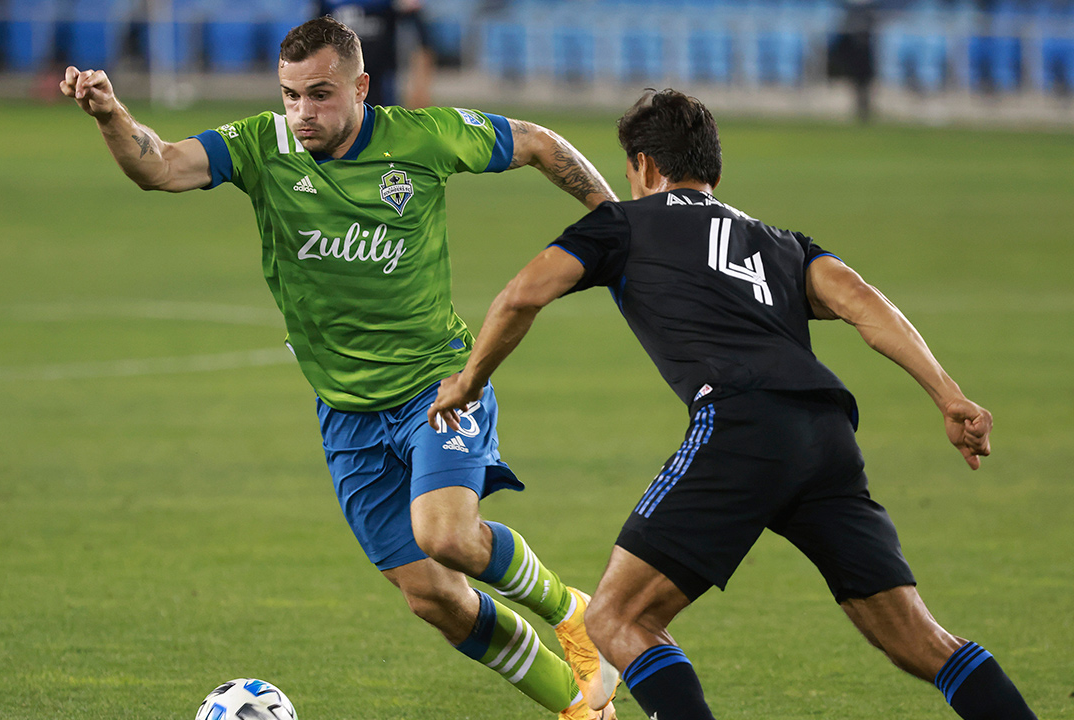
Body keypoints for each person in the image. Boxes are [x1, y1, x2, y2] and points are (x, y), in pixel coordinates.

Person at [60, 15, 622, 720]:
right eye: (290, 95)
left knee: (445, 534)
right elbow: (159, 165)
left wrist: (619, 223)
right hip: (345, 413)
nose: (301, 113)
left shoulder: (423, 136)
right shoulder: (262, 146)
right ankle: (577, 705)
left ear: (360, 86)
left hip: (436, 386)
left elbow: (539, 143)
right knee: (434, 597)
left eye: (319, 95)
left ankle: (576, 613)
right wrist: (111, 114)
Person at [428, 89, 1038, 720]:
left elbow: (522, 296)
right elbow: (862, 301)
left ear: (643, 166)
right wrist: (949, 396)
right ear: (713, 173)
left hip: (740, 426)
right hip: (826, 437)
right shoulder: (780, 242)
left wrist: (471, 380)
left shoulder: (623, 224)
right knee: (920, 640)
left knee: (616, 619)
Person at [313, 0, 434, 108]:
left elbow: (422, 41)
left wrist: (420, 83)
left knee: (383, 123)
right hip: (341, 74)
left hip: (381, 77)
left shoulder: (391, 4)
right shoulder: (327, 4)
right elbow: (317, 38)